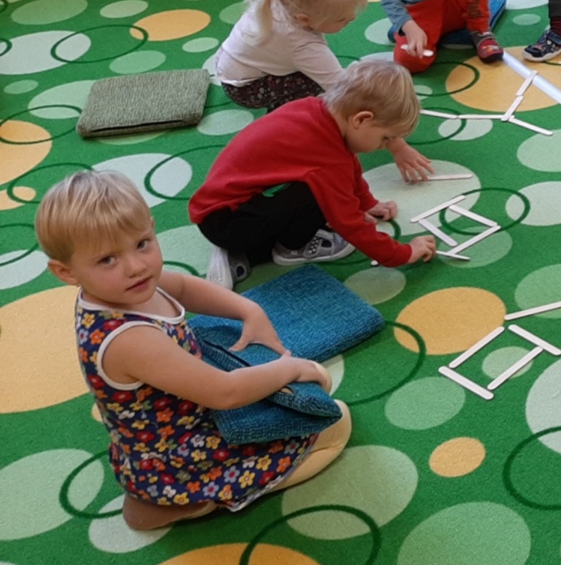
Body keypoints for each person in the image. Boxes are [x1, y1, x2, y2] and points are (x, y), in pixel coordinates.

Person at [36, 170, 351, 531]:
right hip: (182, 453)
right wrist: (289, 369)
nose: (136, 266)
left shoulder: (125, 286)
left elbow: (184, 287)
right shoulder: (129, 338)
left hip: (179, 417)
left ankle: (171, 492)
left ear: (151, 227)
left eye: (142, 243)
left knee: (317, 382)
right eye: (107, 260)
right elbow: (224, 392)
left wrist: (248, 310)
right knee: (336, 423)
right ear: (66, 272)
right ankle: (190, 499)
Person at [190, 60, 437, 291]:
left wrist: (367, 202)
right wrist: (403, 254)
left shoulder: (317, 111)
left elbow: (348, 163)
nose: (384, 145)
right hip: (228, 224)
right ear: (361, 119)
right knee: (320, 193)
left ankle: (242, 248)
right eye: (385, 138)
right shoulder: (328, 157)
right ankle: (284, 248)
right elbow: (349, 223)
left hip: (223, 211)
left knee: (317, 186)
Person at [215, 0, 434, 183]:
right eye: (341, 19)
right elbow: (346, 93)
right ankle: (284, 127)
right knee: (321, 94)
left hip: (228, 64)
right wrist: (398, 146)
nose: (351, 20)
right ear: (304, 20)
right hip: (246, 88)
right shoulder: (302, 45)